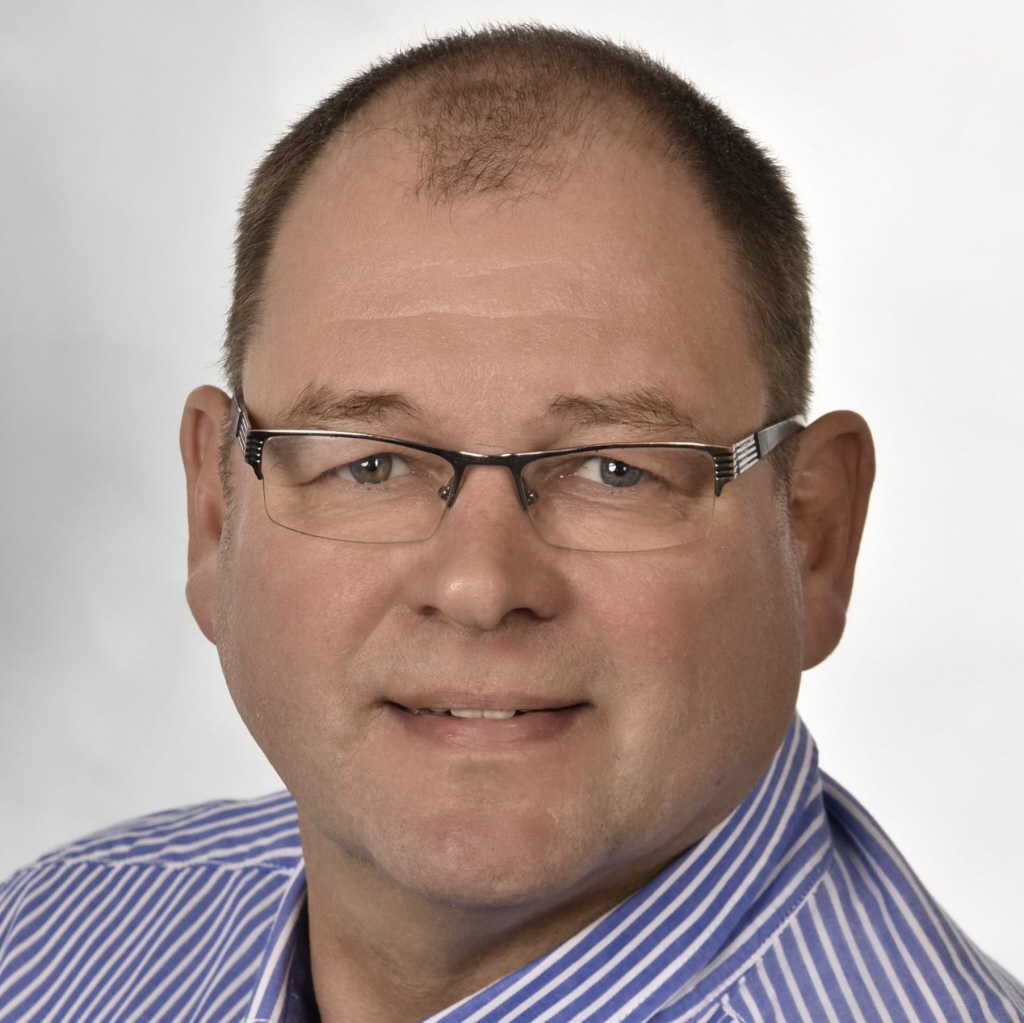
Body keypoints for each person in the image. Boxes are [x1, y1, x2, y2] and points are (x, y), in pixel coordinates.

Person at [0, 23, 1020, 1023]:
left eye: (615, 470)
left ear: (812, 536)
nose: (479, 587)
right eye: (371, 464)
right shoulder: (50, 944)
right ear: (216, 514)